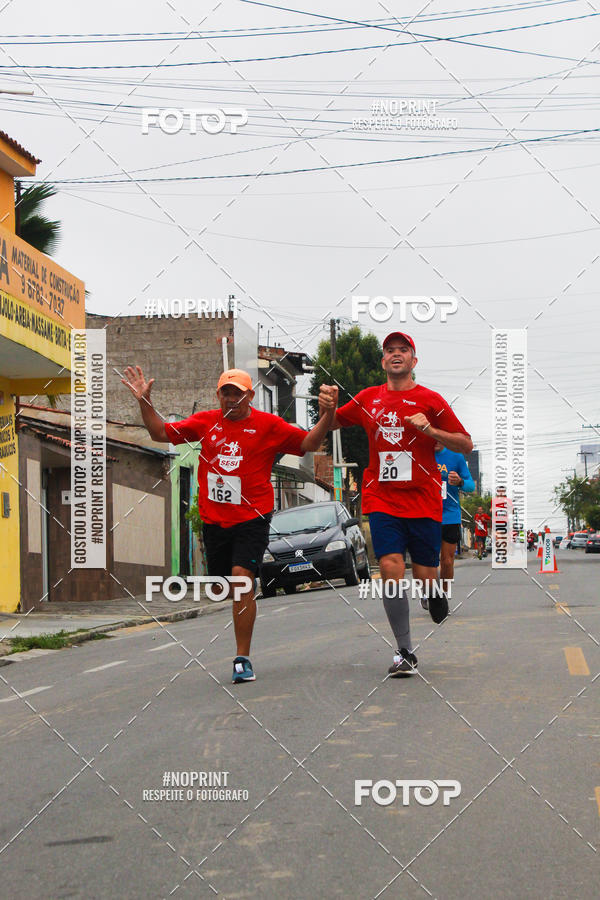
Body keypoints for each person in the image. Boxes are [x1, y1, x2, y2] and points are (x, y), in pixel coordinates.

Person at [122, 365, 337, 684]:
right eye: (226, 392)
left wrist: (326, 417)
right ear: (218, 396)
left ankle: (242, 658)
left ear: (250, 396)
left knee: (240, 579)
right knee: (223, 587)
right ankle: (248, 585)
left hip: (253, 516)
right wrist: (144, 401)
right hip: (214, 519)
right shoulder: (205, 422)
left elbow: (308, 444)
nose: (232, 399)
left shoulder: (268, 425)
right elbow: (159, 434)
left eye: (238, 393)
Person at [323, 332, 472, 677]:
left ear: (413, 361)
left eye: (403, 350)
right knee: (390, 567)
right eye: (389, 350)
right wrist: (326, 408)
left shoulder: (430, 400)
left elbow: (465, 443)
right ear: (383, 361)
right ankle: (404, 650)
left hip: (422, 499)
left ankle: (432, 590)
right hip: (381, 496)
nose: (395, 354)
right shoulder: (367, 399)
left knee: (424, 574)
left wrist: (432, 431)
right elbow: (333, 424)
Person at [434, 442, 475, 598]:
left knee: (447, 561)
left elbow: (471, 486)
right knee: (427, 560)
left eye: (439, 437)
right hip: (425, 514)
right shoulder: (419, 454)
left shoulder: (455, 457)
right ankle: (428, 592)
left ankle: (444, 595)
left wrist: (460, 482)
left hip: (449, 515)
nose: (436, 441)